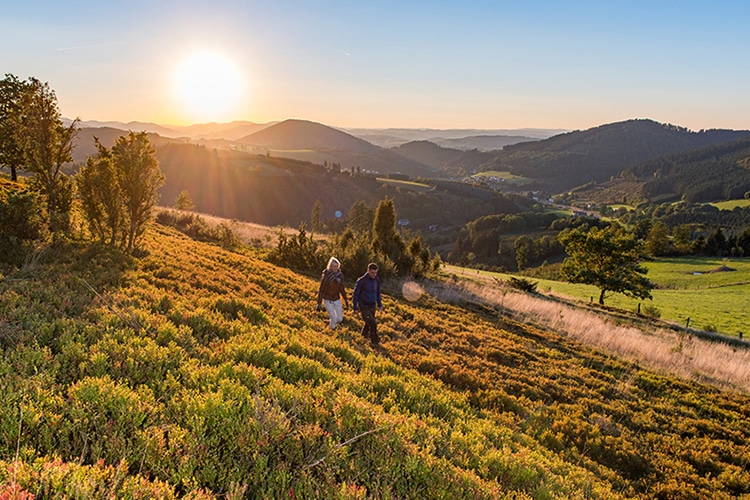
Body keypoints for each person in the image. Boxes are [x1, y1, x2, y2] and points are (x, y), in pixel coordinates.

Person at [352, 262, 383, 345]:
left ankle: (363, 336)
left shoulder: (377, 280)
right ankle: (374, 341)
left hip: (373, 306)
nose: (374, 275)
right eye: (372, 273)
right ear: (368, 271)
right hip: (363, 306)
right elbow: (356, 294)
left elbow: (378, 293)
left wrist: (379, 305)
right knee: (373, 323)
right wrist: (355, 307)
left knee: (368, 323)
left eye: (376, 273)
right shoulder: (361, 281)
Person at [317, 257, 348, 330]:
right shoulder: (326, 276)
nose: (336, 268)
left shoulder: (340, 275)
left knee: (339, 319)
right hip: (328, 299)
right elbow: (321, 289)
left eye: (337, 266)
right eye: (334, 266)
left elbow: (342, 288)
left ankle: (330, 322)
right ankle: (332, 330)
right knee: (334, 318)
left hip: (336, 299)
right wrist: (319, 303)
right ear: (330, 266)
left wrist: (345, 299)